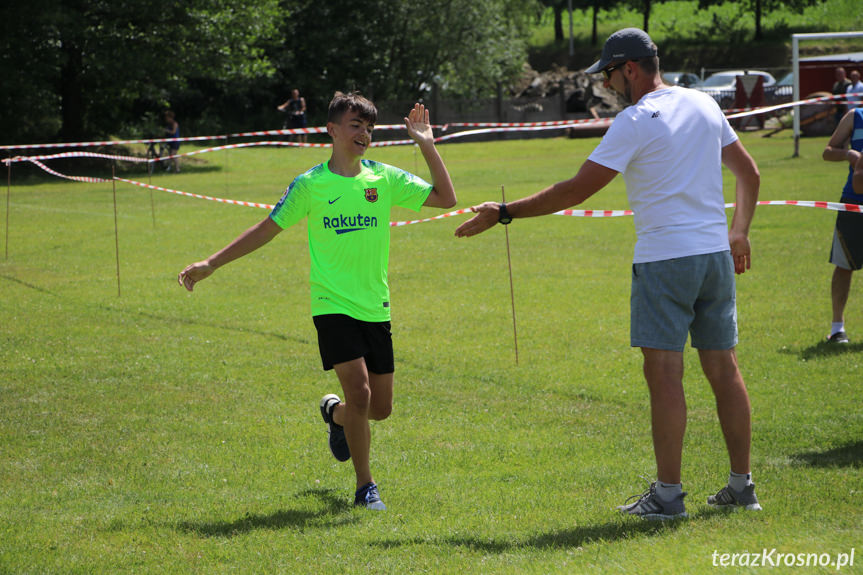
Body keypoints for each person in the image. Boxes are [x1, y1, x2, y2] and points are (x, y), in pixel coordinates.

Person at [455, 28, 761, 520]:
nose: (610, 83)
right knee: (724, 370)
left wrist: (505, 212)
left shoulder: (634, 120)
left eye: (612, 74)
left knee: (664, 375)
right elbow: (750, 173)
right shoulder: (705, 105)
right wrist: (739, 231)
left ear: (631, 69)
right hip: (714, 259)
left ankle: (667, 497)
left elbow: (576, 191)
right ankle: (742, 489)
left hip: (665, 260)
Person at [178, 93, 455, 510]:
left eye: (369, 127)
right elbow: (267, 228)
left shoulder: (382, 178)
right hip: (330, 304)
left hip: (375, 306)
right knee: (360, 394)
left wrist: (426, 144)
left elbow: (445, 198)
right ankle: (366, 488)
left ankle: (335, 415)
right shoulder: (310, 184)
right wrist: (212, 262)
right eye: (355, 125)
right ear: (332, 129)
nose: (363, 134)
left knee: (379, 410)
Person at [822, 106, 863, 344]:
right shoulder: (855, 116)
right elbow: (827, 151)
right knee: (844, 264)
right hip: (853, 203)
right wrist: (849, 155)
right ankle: (837, 329)